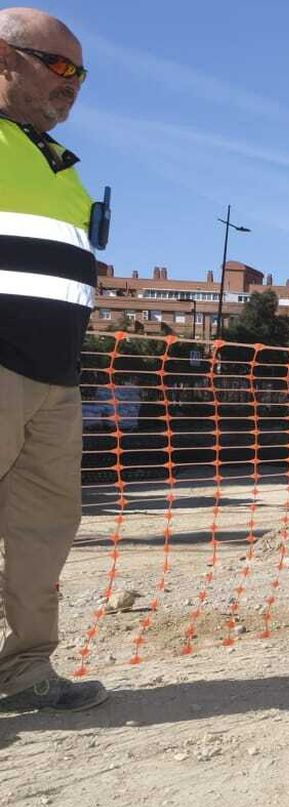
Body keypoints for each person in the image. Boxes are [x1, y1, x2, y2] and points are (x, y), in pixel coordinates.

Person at [0, 8, 107, 713]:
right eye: (59, 66)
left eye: (81, 74)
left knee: (45, 529)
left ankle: (25, 669)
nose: (72, 85)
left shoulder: (58, 166)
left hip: (54, 381)